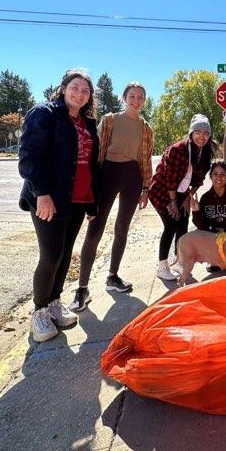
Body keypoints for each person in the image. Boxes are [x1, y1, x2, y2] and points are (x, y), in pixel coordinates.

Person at [18, 69, 99, 342]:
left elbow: (90, 165)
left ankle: (54, 302)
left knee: (64, 255)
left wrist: (92, 202)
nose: (80, 94)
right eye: (75, 87)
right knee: (50, 255)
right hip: (49, 198)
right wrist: (41, 192)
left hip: (76, 198)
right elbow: (29, 156)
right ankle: (39, 312)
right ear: (63, 88)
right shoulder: (45, 114)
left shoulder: (88, 123)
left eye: (85, 90)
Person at [71, 82, 154, 312]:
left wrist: (145, 189)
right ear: (124, 97)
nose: (136, 100)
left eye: (140, 97)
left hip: (132, 178)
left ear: (144, 100)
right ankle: (82, 287)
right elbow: (95, 151)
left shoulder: (146, 128)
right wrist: (90, 184)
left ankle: (113, 276)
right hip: (107, 173)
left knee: (122, 229)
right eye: (132, 96)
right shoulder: (109, 120)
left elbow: (146, 161)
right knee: (95, 230)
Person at [148, 114, 217, 280]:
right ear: (191, 133)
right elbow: (170, 178)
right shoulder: (179, 149)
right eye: (198, 132)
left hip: (182, 193)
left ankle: (180, 262)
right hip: (163, 191)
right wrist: (173, 202)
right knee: (170, 226)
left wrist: (188, 197)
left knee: (182, 227)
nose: (202, 136)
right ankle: (162, 266)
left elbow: (199, 180)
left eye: (206, 133)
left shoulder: (205, 153)